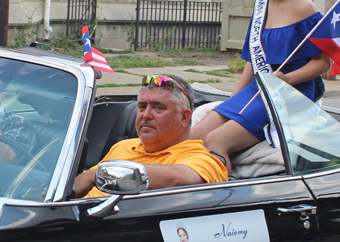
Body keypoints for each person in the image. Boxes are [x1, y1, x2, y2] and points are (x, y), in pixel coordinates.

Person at [190, 0, 331, 173]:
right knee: (194, 136)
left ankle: (217, 198)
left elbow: (323, 62)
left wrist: (287, 78)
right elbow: (252, 63)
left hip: (289, 91)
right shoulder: (261, 5)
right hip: (260, 86)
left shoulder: (305, 8)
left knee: (215, 142)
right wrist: (232, 100)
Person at [75, 74, 228, 198]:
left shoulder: (203, 159)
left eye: (158, 108)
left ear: (184, 118)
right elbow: (79, 186)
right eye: (142, 107)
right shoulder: (123, 146)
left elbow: (180, 179)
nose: (146, 115)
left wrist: (100, 174)